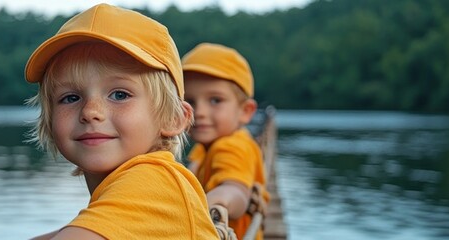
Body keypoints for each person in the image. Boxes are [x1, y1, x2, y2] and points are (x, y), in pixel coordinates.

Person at [24, 4, 218, 239]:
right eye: (71, 98)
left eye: (119, 95)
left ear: (173, 118)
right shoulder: (124, 200)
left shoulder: (155, 182)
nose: (90, 112)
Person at [183, 43, 271, 240]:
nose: (200, 112)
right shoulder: (205, 147)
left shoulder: (232, 146)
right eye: (190, 101)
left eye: (215, 100)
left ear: (245, 111)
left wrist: (217, 201)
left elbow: (236, 190)